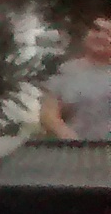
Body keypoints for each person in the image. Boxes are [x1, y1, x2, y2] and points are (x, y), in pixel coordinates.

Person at [40, 12, 111, 140]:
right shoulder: (66, 71)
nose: (100, 36)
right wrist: (69, 137)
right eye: (96, 30)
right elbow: (48, 114)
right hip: (75, 148)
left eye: (108, 33)